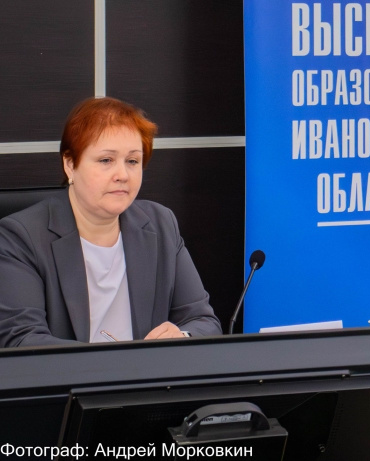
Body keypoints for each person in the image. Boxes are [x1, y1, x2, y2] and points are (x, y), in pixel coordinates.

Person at [0, 97, 221, 347]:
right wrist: (108, 362)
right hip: (75, 373)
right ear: (70, 164)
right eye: (106, 160)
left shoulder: (160, 224)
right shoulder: (20, 237)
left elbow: (204, 321)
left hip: (147, 371)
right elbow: (22, 339)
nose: (122, 175)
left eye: (132, 161)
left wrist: (181, 337)